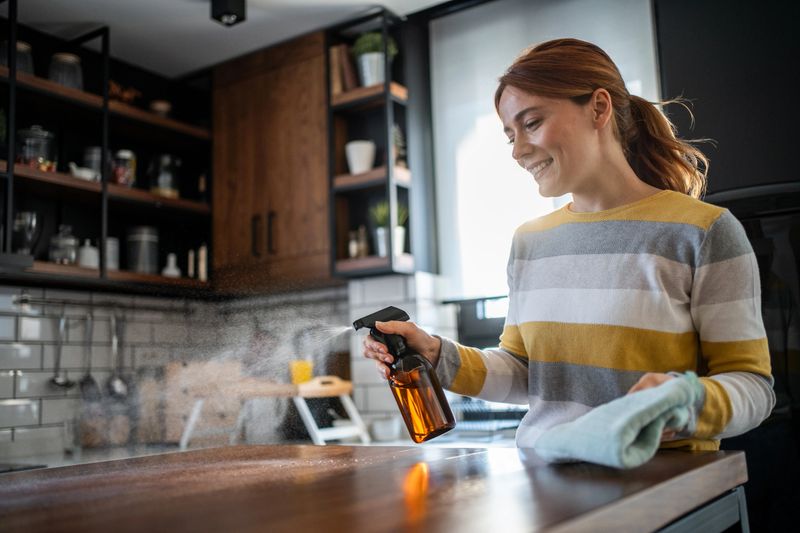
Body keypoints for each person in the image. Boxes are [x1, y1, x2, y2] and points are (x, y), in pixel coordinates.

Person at [363, 38, 775, 451]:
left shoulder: (702, 231)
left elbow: (753, 387)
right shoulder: (530, 241)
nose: (519, 152)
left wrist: (688, 402)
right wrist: (434, 352)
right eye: (510, 136)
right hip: (545, 485)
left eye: (532, 123)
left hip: (660, 490)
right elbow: (525, 374)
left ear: (598, 108)